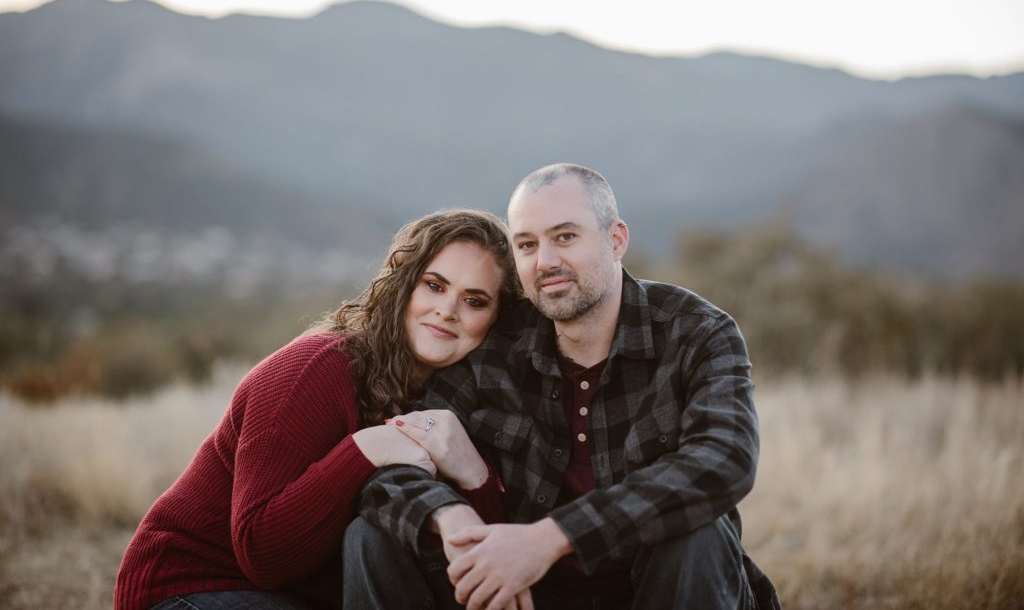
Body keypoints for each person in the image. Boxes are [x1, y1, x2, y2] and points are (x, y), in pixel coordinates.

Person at [348, 164, 780, 609]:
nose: (546, 261)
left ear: (616, 240)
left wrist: (548, 539)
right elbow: (388, 474)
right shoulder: (497, 342)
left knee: (695, 531)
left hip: (656, 589)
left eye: (565, 237)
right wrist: (452, 518)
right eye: (528, 245)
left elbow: (725, 458)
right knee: (377, 533)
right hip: (530, 596)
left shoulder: (695, 332)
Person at [114, 209, 521, 610]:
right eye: (434, 285)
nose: (448, 310)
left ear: (495, 319)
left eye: (474, 300)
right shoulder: (314, 370)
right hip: (188, 591)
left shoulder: (461, 398)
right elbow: (263, 558)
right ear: (403, 285)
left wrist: (475, 475)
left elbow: (477, 561)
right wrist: (364, 449)